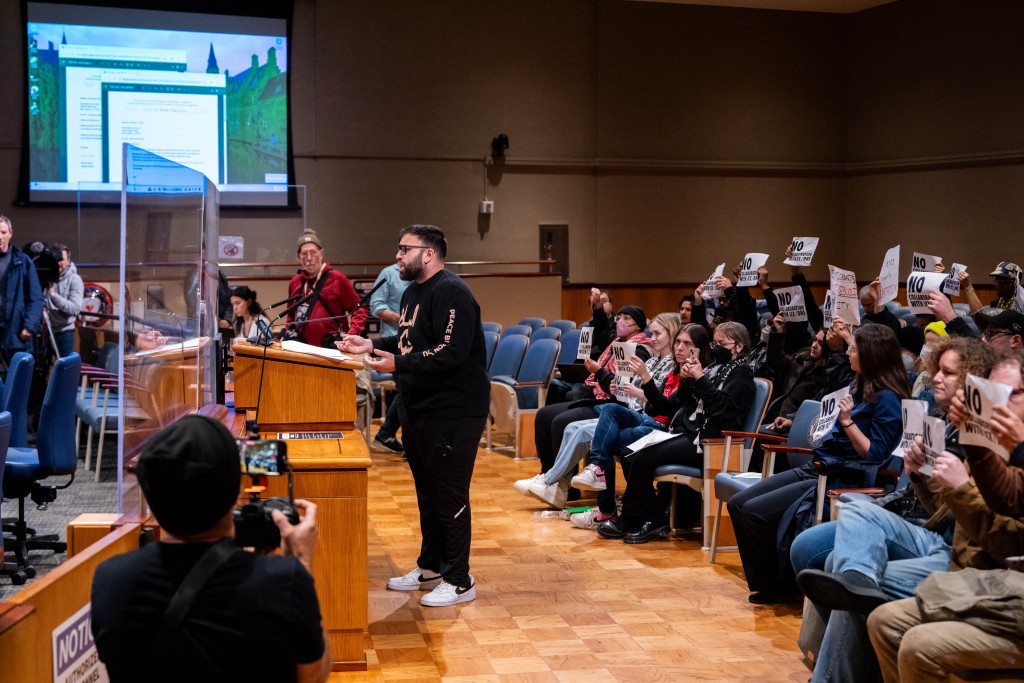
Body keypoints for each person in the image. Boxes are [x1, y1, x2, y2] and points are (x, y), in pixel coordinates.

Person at [789, 336, 996, 683]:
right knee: (853, 513)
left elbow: (978, 523)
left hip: (955, 552)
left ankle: (830, 671)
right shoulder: (948, 426)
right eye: (938, 371)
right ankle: (852, 616)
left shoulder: (987, 438)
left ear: (975, 381)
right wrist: (919, 477)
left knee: (841, 576)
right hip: (927, 529)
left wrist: (959, 485)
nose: (937, 379)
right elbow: (942, 511)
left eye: (949, 373)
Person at [90, 416, 329, 683]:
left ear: (150, 494)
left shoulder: (111, 579)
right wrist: (301, 562)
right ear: (238, 491)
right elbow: (314, 677)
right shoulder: (283, 581)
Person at [337, 224, 489, 607]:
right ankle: (431, 566)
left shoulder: (451, 292)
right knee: (428, 494)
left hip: (453, 410)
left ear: (429, 253)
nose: (398, 257)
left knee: (449, 494)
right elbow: (407, 339)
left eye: (404, 249)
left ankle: (459, 579)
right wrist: (370, 343)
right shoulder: (413, 293)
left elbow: (450, 352)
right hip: (420, 408)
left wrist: (398, 363)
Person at [729, 322, 910, 603]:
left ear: (871, 354)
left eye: (853, 348)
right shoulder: (860, 386)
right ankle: (767, 581)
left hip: (841, 476)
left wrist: (848, 422)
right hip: (818, 466)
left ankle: (780, 586)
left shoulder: (887, 398)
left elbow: (875, 454)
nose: (848, 352)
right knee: (738, 504)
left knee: (755, 512)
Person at [597, 321, 756, 543]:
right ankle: (651, 517)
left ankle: (632, 518)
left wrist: (700, 379)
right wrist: (684, 379)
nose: (716, 347)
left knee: (642, 458)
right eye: (714, 342)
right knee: (628, 453)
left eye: (722, 343)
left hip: (710, 444)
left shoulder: (741, 374)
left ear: (738, 346)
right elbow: (670, 405)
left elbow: (724, 410)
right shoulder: (709, 368)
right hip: (685, 434)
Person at [287, 227, 367, 347]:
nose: (309, 258)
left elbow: (359, 310)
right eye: (304, 254)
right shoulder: (295, 282)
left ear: (322, 253)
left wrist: (351, 334)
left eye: (313, 252)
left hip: (332, 350)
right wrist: (288, 332)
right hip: (301, 349)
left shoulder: (338, 279)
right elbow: (291, 315)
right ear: (299, 257)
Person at [368, 262, 410, 454]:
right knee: (405, 390)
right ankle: (387, 434)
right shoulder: (388, 273)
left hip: (416, 342)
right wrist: (400, 319)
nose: (401, 255)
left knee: (407, 391)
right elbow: (376, 306)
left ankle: (386, 434)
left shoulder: (420, 274)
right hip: (394, 340)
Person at [0, 215, 43, 365]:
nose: (0, 237)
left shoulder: (23, 261)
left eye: (3, 232)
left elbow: (36, 298)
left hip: (16, 335)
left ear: (10, 233)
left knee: (16, 383)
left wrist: (29, 327)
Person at [46, 242, 83, 358]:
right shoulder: (47, 278)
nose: (58, 263)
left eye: (62, 259)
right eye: (56, 259)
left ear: (68, 261)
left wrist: (53, 295)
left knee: (65, 368)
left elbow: (75, 309)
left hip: (65, 332)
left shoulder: (75, 279)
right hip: (46, 331)